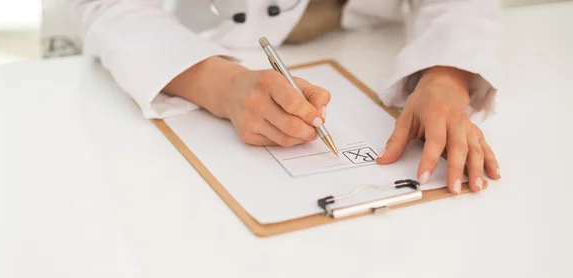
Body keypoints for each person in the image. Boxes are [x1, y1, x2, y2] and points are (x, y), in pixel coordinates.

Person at [68, 0, 501, 193]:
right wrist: (221, 85)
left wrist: (446, 76)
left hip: (369, 39)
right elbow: (105, 5)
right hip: (202, 41)